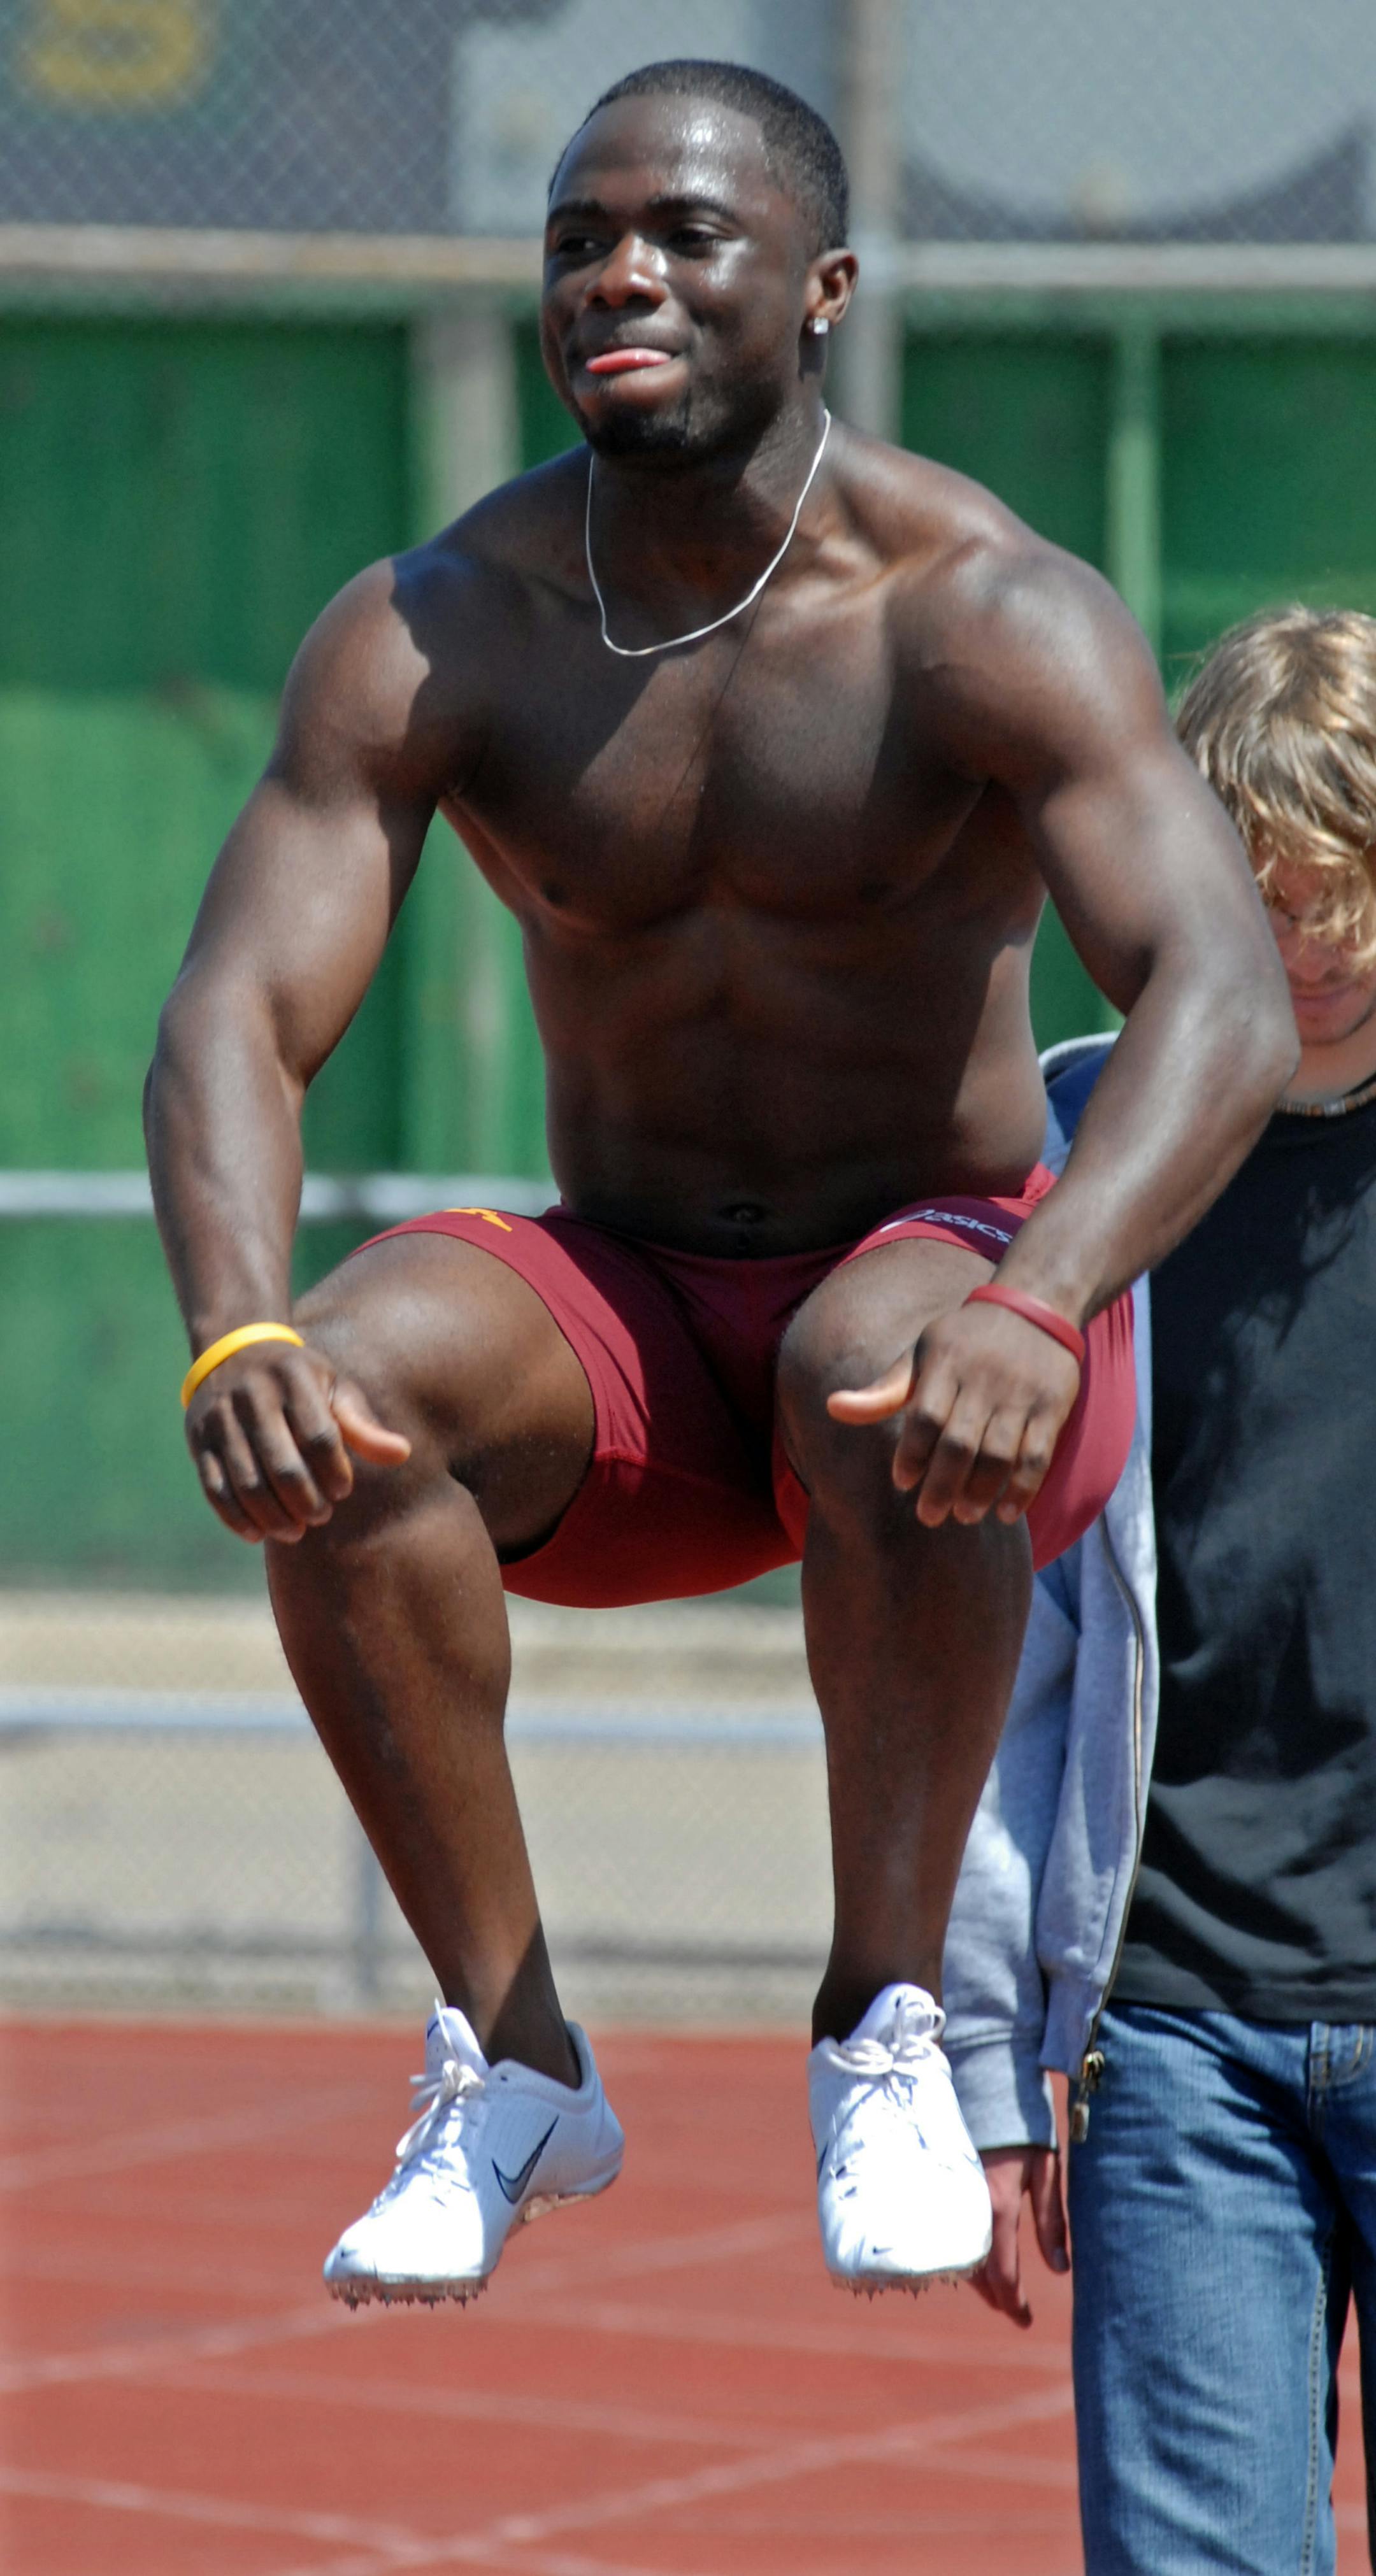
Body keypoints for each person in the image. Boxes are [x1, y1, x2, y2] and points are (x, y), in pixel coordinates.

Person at [143, 59, 1291, 2311]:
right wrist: (232, 1320)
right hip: (649, 1330)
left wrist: (1046, 1295)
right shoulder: (443, 623)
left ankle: (885, 2020)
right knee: (339, 1387)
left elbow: (1222, 992)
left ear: (826, 286)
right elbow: (236, 1014)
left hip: (959, 1325)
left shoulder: (983, 606)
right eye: (578, 241)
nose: (619, 279)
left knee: (880, 1346)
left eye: (683, 235)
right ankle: (513, 2058)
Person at [945, 605, 1376, 2572]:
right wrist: (984, 2047)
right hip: (1176, 2031)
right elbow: (1000, 1649)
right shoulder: (1069, 1154)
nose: (1313, 940)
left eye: (1349, 885)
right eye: (1267, 888)